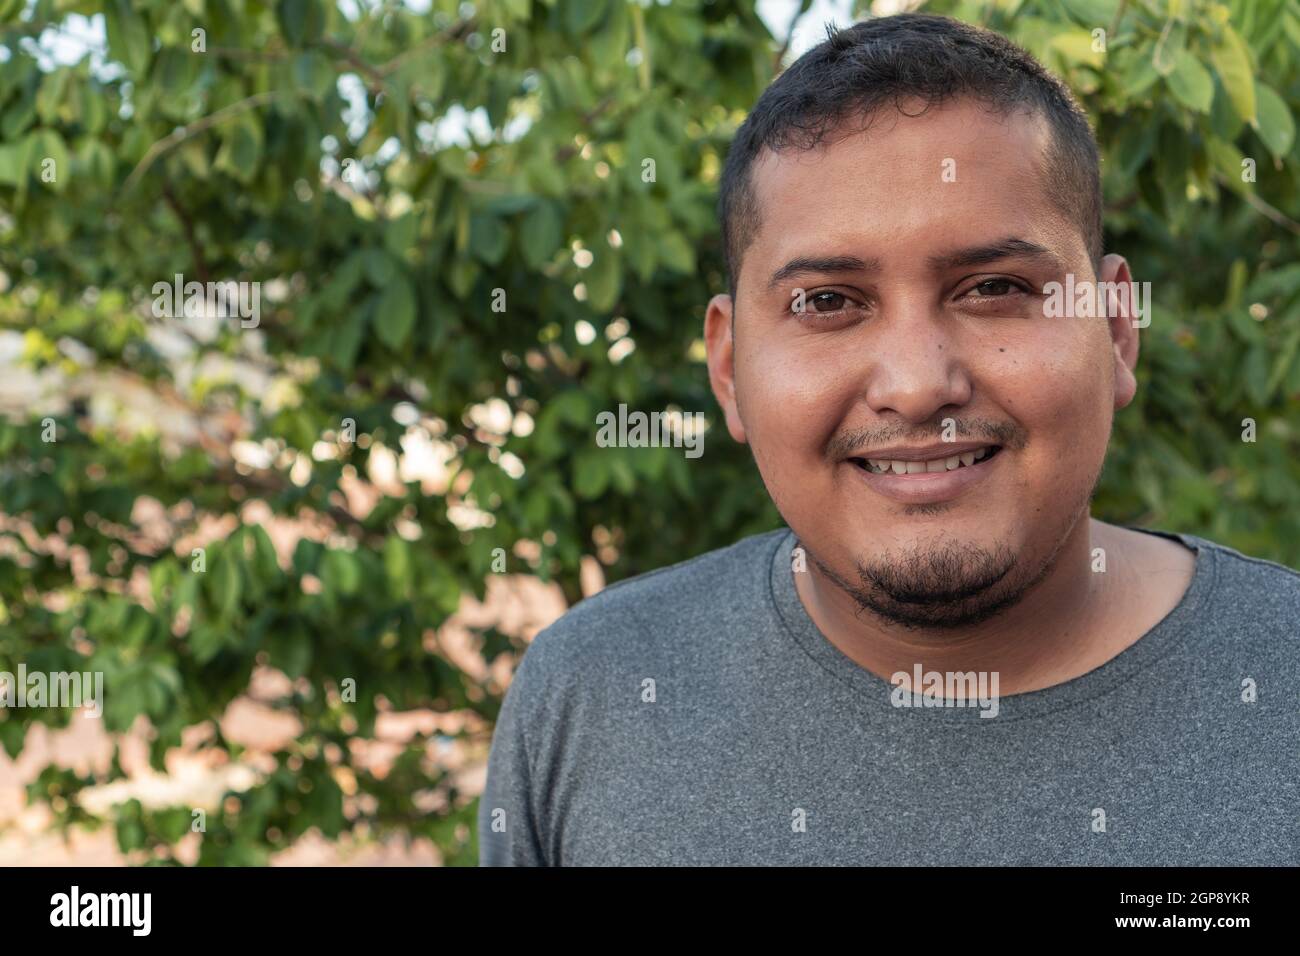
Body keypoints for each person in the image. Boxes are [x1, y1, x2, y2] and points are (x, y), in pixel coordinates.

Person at [478, 13, 1300, 866]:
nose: (915, 384)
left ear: (1118, 329)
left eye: (993, 287)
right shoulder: (589, 698)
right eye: (827, 302)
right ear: (728, 371)